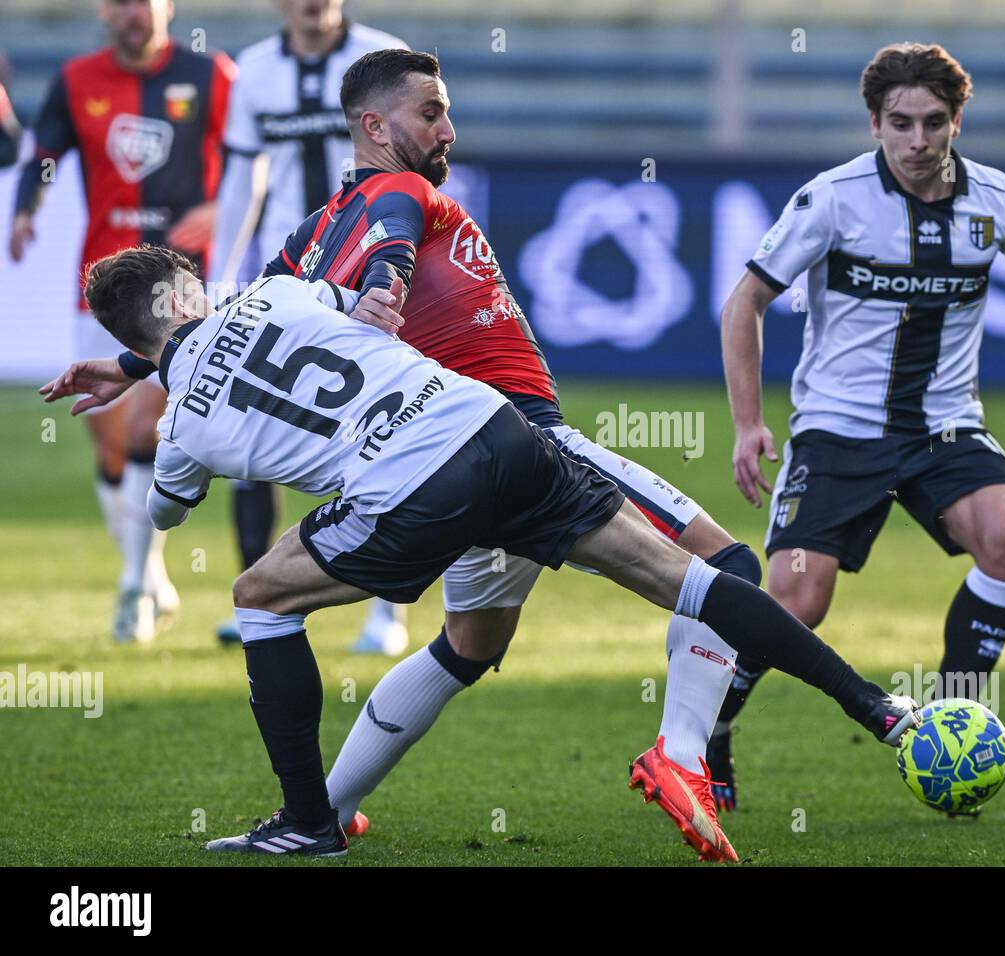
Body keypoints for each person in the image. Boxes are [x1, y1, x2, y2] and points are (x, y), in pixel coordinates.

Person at [55, 48, 771, 863]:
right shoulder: (391, 201)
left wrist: (135, 363)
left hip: (448, 461)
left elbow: (242, 327)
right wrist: (387, 277)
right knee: (729, 569)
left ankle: (324, 810)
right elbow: (375, 252)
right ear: (375, 126)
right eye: (431, 112)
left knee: (470, 642)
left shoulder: (311, 238)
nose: (447, 129)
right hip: (511, 439)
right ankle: (683, 755)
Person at [44, 245, 919, 860]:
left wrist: (153, 387)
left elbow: (165, 510)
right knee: (685, 579)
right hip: (493, 426)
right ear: (190, 290)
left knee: (256, 594)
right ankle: (878, 708)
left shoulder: (184, 420)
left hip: (413, 484)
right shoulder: (278, 295)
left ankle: (309, 822)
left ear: (136, 329)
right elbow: (336, 309)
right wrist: (158, 357)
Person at [709, 41, 1005, 812]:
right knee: (796, 601)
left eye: (933, 123)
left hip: (944, 427)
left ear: (957, 121)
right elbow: (743, 303)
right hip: (835, 430)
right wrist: (749, 423)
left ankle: (958, 719)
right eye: (900, 124)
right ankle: (711, 730)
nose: (917, 142)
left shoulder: (1000, 201)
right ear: (874, 122)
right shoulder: (833, 198)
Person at [8, 0, 234, 642]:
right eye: (119, 3)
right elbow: (45, 154)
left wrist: (220, 207)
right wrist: (28, 208)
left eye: (143, 2)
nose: (132, 14)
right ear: (104, 11)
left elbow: (252, 159)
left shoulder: (212, 75)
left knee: (141, 430)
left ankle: (134, 587)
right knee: (108, 443)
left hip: (180, 290)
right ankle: (151, 572)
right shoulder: (77, 79)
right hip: (101, 287)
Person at [210, 0, 408, 653]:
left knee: (383, 433)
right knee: (249, 432)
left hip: (368, 267)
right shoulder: (255, 72)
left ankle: (387, 612)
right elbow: (242, 179)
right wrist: (218, 279)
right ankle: (257, 598)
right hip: (287, 280)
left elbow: (419, 165)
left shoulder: (384, 57)